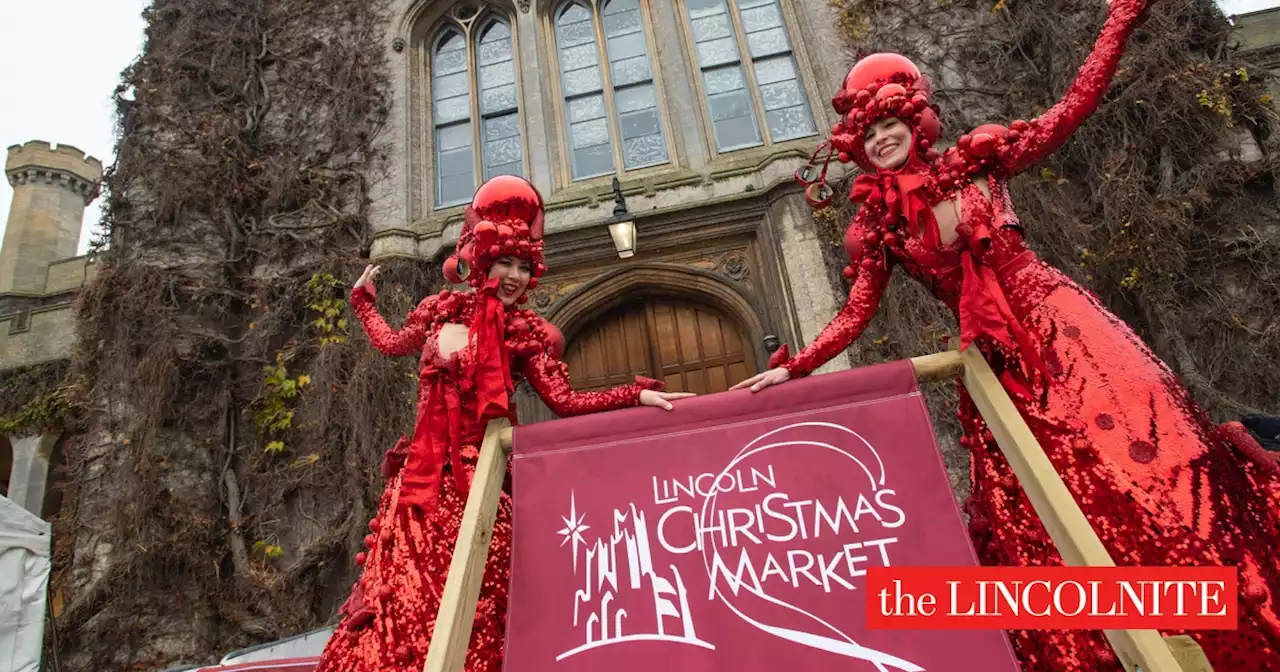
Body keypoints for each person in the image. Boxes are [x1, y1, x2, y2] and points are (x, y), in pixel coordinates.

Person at [731, 0, 1280, 668]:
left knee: (1155, 461)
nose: (881, 139)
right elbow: (855, 313)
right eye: (867, 132)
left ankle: (1226, 626)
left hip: (1065, 329)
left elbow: (1071, 107)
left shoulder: (980, 164)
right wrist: (794, 366)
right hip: (996, 363)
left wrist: (1118, 22)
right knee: (1051, 498)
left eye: (889, 123)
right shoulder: (880, 228)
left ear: (912, 117)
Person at [315, 175, 692, 672]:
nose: (513, 275)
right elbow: (391, 342)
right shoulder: (438, 312)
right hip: (421, 487)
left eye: (522, 266)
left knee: (477, 600)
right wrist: (363, 303)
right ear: (483, 261)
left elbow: (565, 401)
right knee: (404, 596)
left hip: (482, 481)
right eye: (504, 263)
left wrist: (634, 393)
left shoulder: (524, 332)